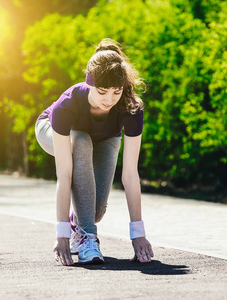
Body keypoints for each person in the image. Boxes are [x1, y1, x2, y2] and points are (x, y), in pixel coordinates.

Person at [34, 38, 153, 266]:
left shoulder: (131, 108)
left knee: (94, 211)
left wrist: (138, 233)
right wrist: (61, 235)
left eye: (116, 92)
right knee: (80, 140)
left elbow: (129, 175)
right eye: (102, 92)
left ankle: (79, 223)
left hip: (104, 138)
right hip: (53, 130)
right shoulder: (66, 106)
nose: (109, 100)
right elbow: (65, 175)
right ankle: (88, 238)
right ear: (88, 83)